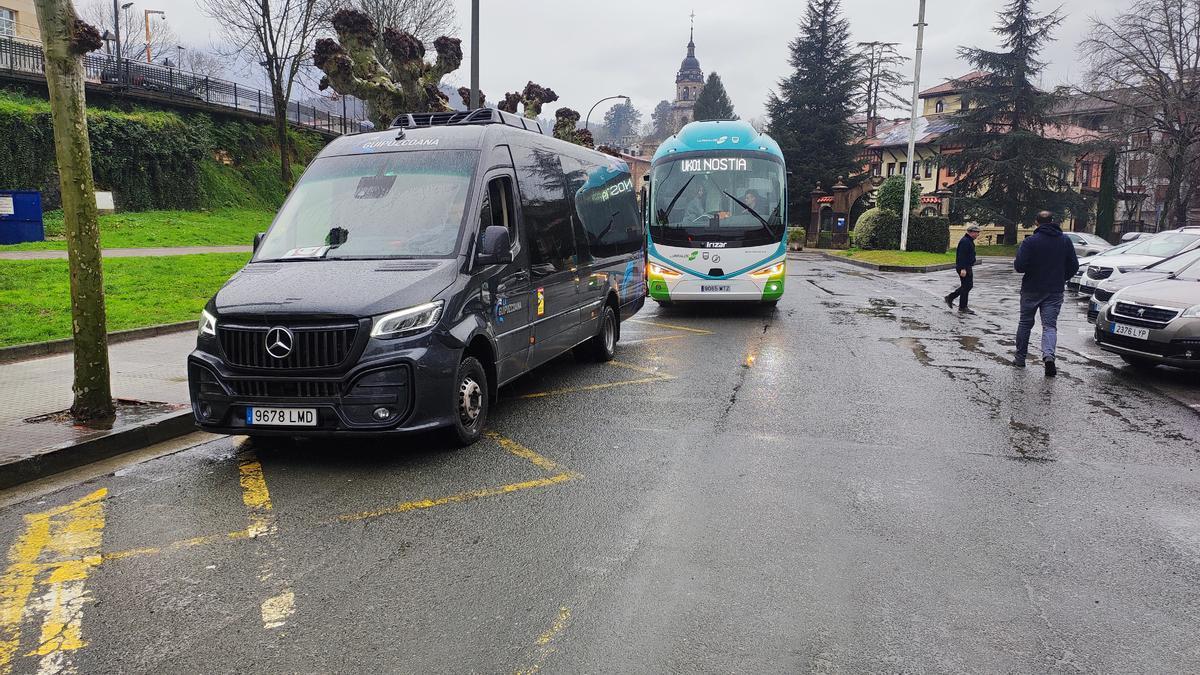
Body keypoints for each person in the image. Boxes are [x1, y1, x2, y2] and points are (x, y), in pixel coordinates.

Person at [1013, 211, 1080, 377]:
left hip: (1031, 288)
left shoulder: (1030, 242)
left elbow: (1019, 266)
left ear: (1037, 222)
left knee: (1025, 323)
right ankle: (1049, 357)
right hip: (1054, 290)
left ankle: (1020, 358)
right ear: (1052, 221)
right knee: (1049, 326)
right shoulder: (1065, 241)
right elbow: (1074, 265)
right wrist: (1062, 277)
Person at [944, 224, 981, 313]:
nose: (978, 234)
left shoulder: (969, 240)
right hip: (964, 267)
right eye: (977, 232)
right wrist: (963, 269)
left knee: (967, 286)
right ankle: (961, 306)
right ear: (971, 232)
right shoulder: (965, 241)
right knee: (967, 286)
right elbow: (962, 256)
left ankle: (952, 299)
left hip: (967, 266)